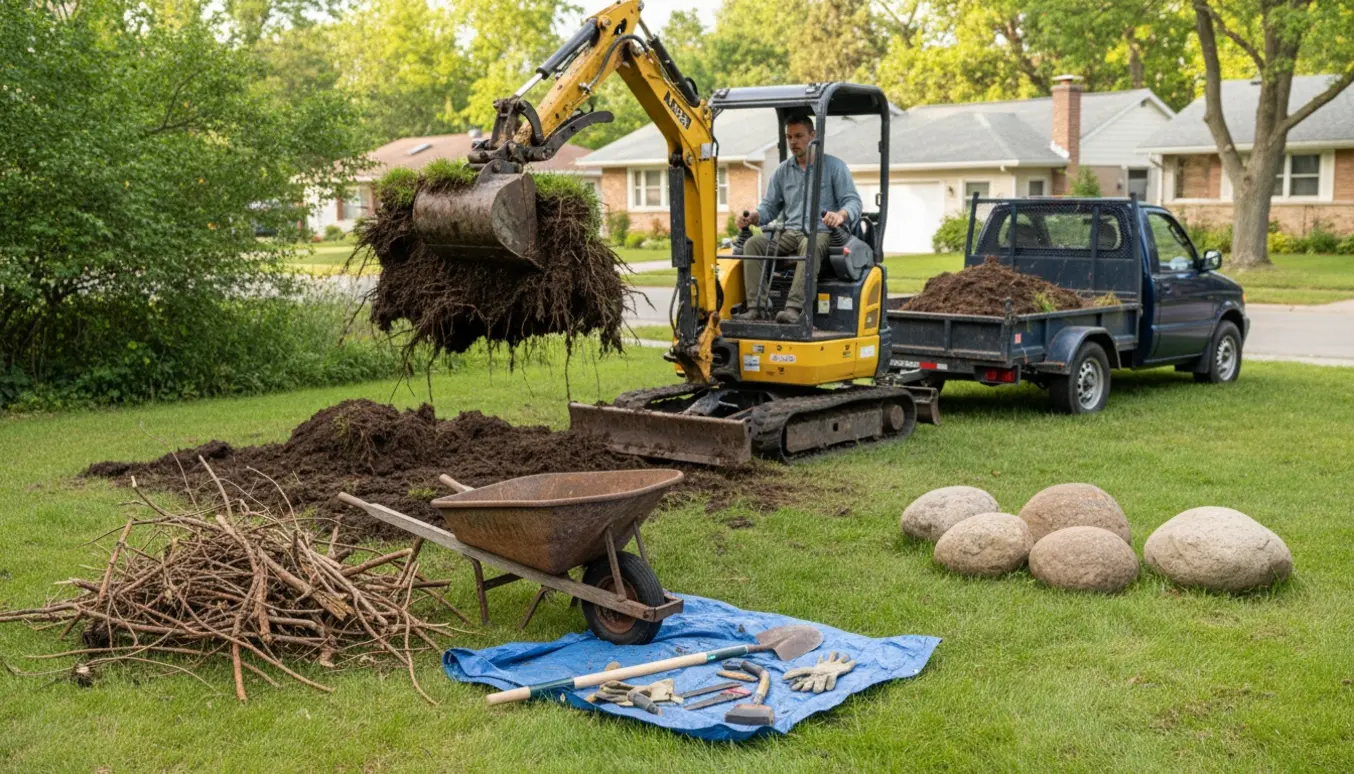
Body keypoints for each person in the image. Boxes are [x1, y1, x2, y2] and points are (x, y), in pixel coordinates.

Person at [734, 114, 862, 323]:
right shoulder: (783, 171)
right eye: (789, 137)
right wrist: (755, 216)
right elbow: (769, 208)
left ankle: (794, 309)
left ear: (813, 136)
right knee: (753, 244)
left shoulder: (834, 167)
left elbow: (853, 202)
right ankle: (758, 307)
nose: (793, 142)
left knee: (810, 244)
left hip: (822, 232)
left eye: (799, 136)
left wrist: (840, 215)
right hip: (790, 232)